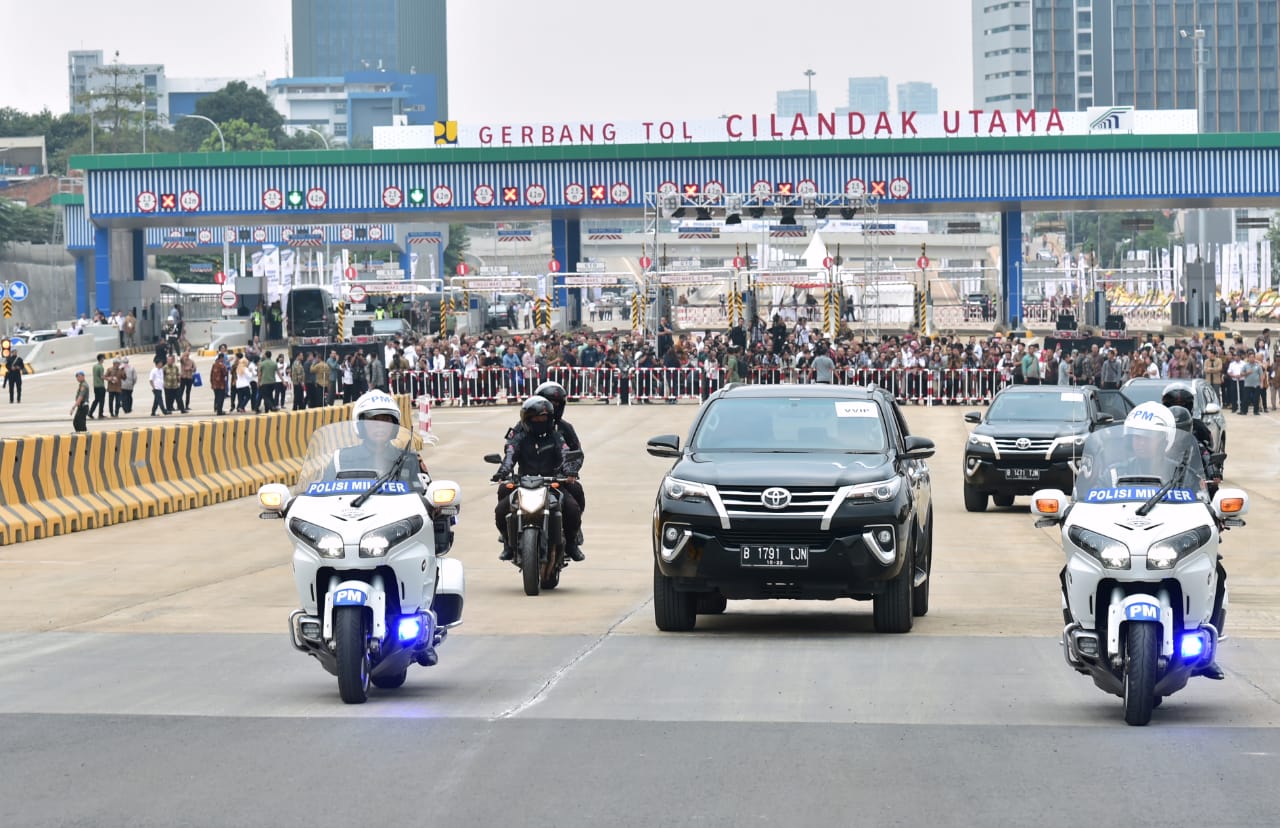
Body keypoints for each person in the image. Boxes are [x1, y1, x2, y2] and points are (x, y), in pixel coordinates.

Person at [491, 396, 584, 563]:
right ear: (527, 419)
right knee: (500, 509)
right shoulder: (519, 436)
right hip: (524, 483)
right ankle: (507, 543)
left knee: (572, 508)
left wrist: (569, 470)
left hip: (552, 482)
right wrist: (503, 472)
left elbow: (565, 452)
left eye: (543, 418)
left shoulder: (557, 436)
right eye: (535, 418)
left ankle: (571, 544)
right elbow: (510, 454)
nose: (539, 421)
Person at [321, 390, 427, 485]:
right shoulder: (341, 459)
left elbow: (424, 496)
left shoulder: (409, 460)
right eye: (374, 420)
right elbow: (323, 498)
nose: (380, 425)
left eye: (386, 420)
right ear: (360, 425)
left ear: (394, 426)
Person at [534, 381, 587, 514]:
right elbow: (511, 448)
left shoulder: (565, 428)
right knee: (503, 496)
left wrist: (570, 470)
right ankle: (506, 534)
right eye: (549, 403)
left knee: (574, 501)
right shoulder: (524, 426)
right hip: (526, 480)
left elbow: (577, 452)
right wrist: (504, 472)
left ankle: (573, 534)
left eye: (557, 404)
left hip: (558, 479)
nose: (552, 407)